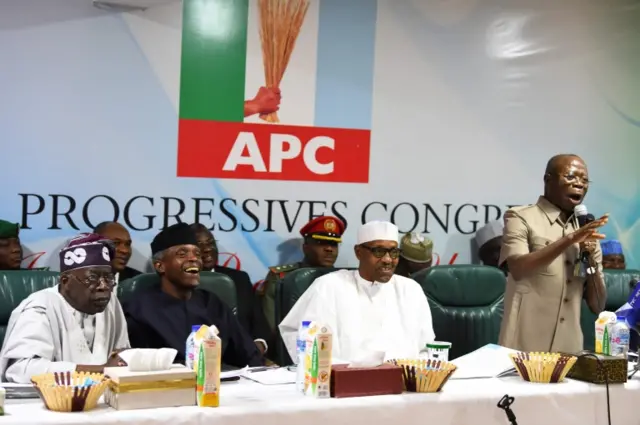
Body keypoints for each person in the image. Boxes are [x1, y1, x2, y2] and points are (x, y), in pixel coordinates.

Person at [279, 221, 435, 363]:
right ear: (358, 252)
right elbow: (297, 334)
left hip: (404, 386)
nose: (388, 259)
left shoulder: (411, 290)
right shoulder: (328, 286)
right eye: (379, 251)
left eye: (394, 252)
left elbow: (426, 348)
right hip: (342, 385)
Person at [499, 154, 608, 353]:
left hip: (569, 350)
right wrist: (570, 239)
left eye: (584, 181)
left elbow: (597, 305)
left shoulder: (587, 230)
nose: (579, 185)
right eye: (571, 177)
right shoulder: (520, 217)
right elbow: (517, 268)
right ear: (548, 179)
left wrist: (590, 257)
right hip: (523, 347)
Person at [123, 223, 263, 368]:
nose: (193, 259)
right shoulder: (138, 309)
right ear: (160, 266)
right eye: (182, 254)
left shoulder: (212, 303)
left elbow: (248, 355)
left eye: (197, 254)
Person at [0, 233, 129, 383]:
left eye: (108, 278)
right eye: (92, 278)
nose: (103, 286)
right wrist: (101, 370)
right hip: (43, 402)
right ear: (65, 281)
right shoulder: (40, 307)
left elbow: (121, 352)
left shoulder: (110, 302)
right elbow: (22, 370)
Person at [190, 223, 271, 355]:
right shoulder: (177, 283)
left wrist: (259, 344)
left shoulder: (239, 279)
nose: (207, 249)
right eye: (199, 245)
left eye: (211, 243)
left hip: (244, 359)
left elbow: (258, 322)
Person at [258, 215, 346, 332]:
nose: (329, 249)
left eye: (334, 244)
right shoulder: (282, 277)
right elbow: (270, 327)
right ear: (305, 248)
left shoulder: (345, 280)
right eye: (321, 243)